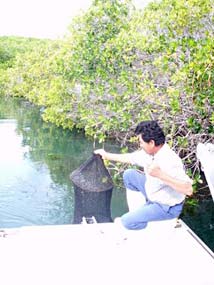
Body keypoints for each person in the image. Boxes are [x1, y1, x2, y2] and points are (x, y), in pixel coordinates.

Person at [94, 120, 193, 230]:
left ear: (151, 143)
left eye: (141, 142)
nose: (140, 145)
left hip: (167, 207)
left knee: (126, 222)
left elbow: (188, 190)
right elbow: (130, 158)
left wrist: (160, 174)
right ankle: (141, 213)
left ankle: (146, 223)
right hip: (154, 193)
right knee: (129, 175)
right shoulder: (151, 152)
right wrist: (106, 155)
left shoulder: (170, 161)